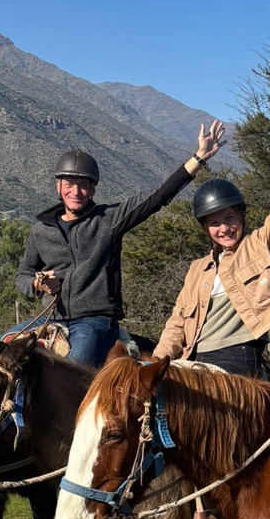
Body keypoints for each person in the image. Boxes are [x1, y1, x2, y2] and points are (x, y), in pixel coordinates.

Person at [152, 100, 270, 376]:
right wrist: (155, 363)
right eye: (214, 223)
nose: (224, 228)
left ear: (241, 217)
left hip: (238, 355)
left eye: (229, 218)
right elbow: (177, 323)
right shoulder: (197, 270)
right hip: (193, 357)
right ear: (206, 229)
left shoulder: (261, 245)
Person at [13, 121, 225, 367]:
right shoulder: (41, 230)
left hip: (94, 321)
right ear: (58, 186)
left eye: (83, 185)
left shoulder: (108, 220)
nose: (76, 192)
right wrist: (37, 284)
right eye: (69, 185)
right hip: (50, 319)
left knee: (70, 370)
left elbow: (157, 196)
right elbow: (22, 275)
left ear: (93, 190)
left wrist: (199, 157)